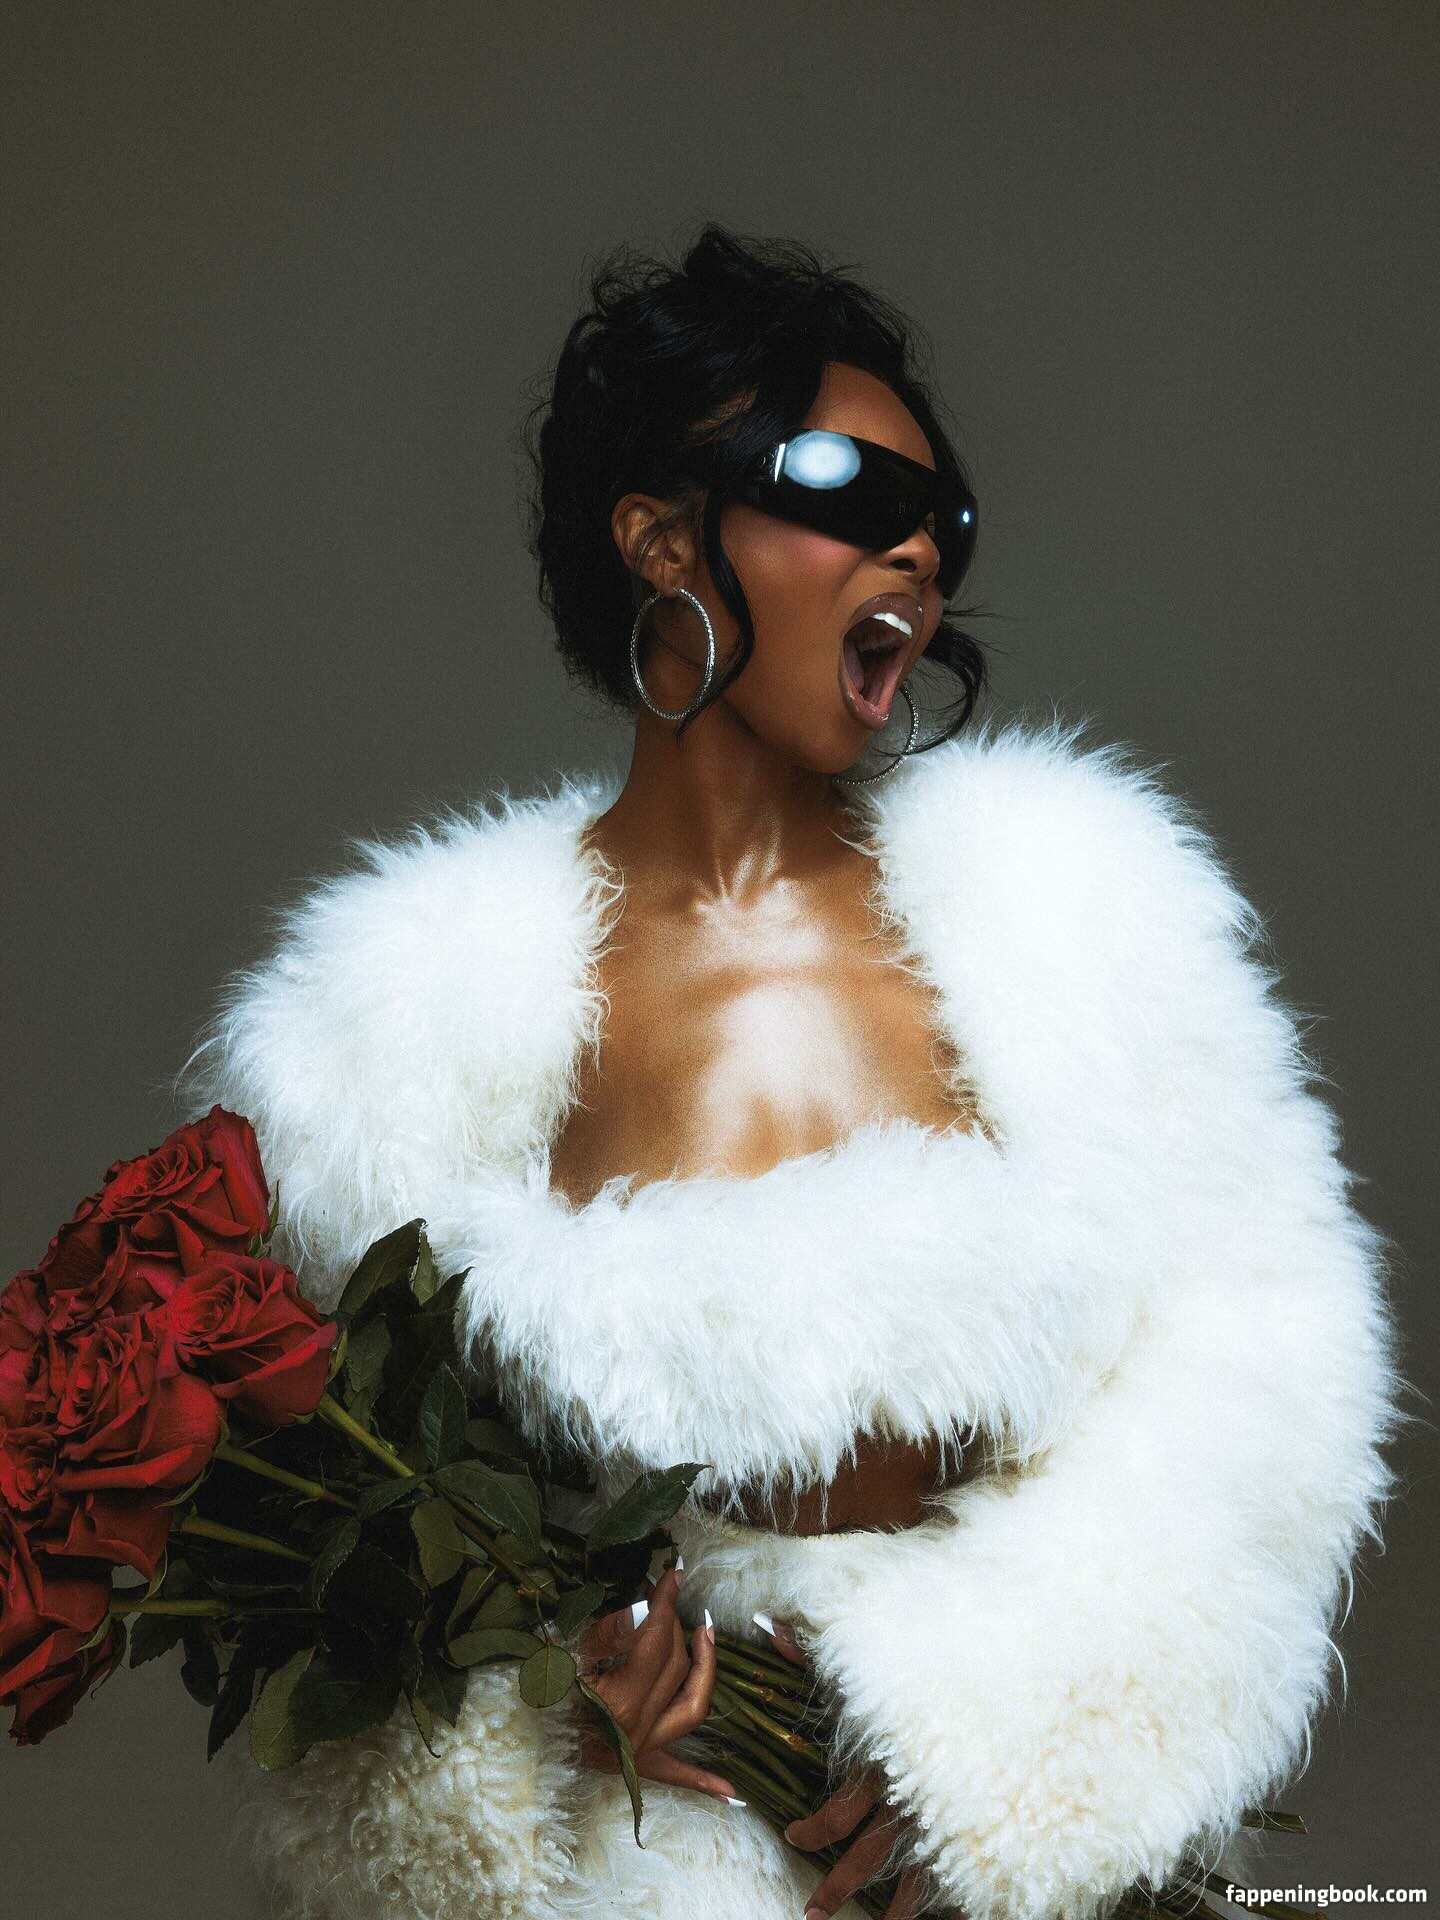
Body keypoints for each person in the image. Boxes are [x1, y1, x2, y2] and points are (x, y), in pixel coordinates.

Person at [174, 224, 1405, 1920]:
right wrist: (541, 1703)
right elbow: (320, 1561)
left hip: (986, 1871)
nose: (915, 545)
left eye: (943, 518)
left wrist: (998, 1754)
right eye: (845, 488)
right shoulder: (392, 1037)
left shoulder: (1080, 922)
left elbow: (1257, 1372)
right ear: (660, 535)